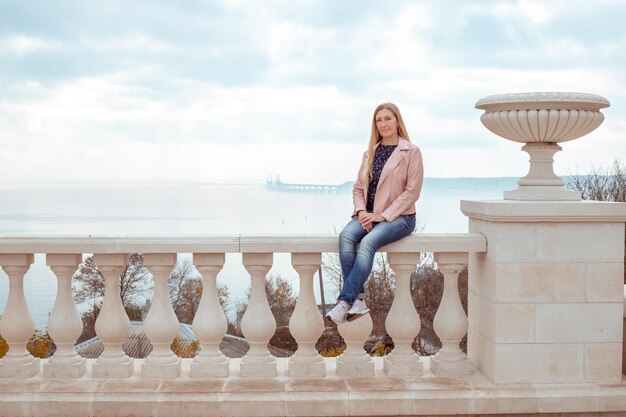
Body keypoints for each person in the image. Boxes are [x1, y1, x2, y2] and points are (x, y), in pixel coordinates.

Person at [325, 102, 424, 324]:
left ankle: (345, 301)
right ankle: (358, 301)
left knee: (368, 242)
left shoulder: (411, 151)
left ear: (397, 120)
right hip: (367, 214)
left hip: (400, 218)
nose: (383, 123)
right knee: (346, 236)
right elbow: (358, 188)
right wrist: (361, 211)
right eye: (379, 120)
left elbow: (412, 191)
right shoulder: (369, 153)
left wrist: (382, 216)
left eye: (388, 118)